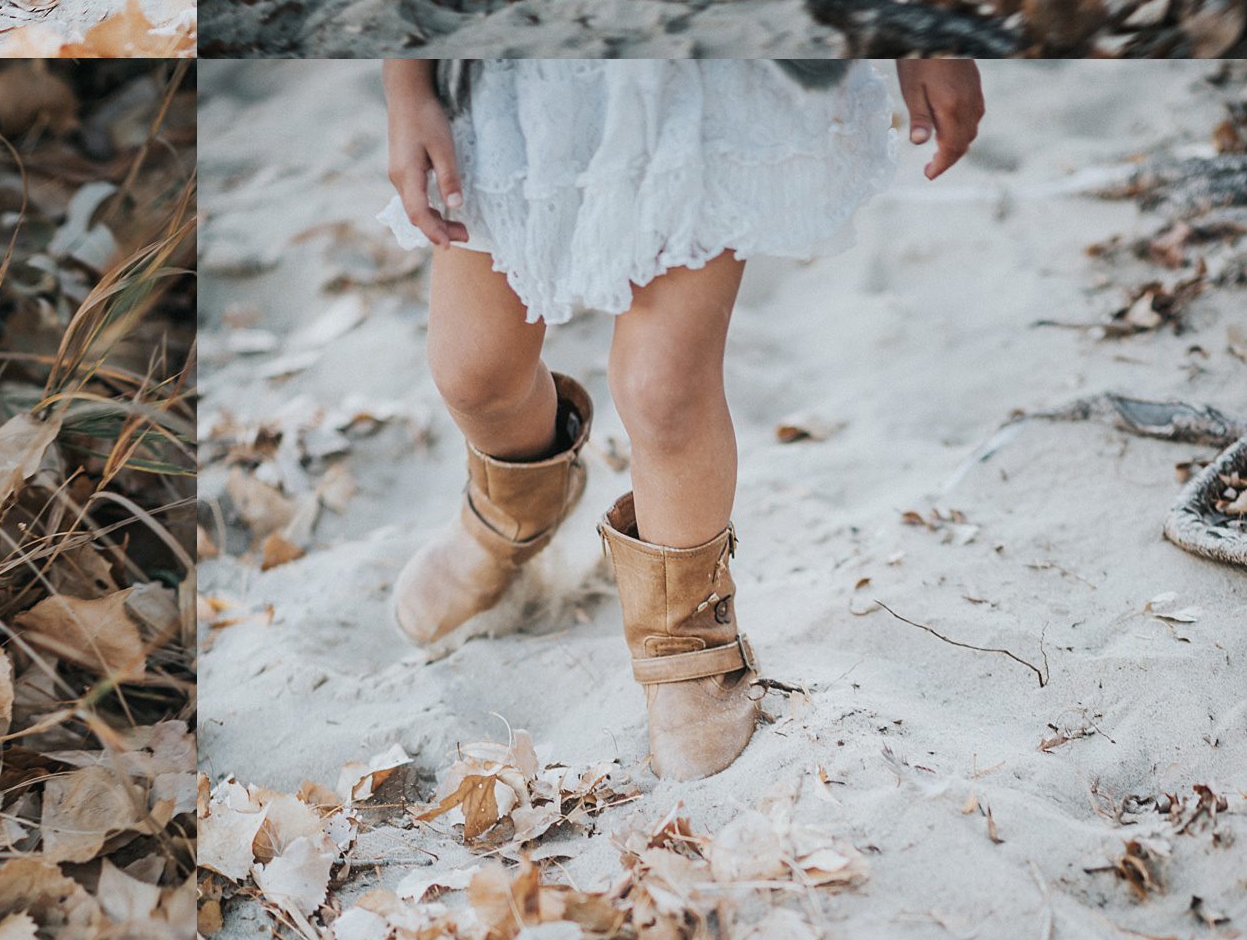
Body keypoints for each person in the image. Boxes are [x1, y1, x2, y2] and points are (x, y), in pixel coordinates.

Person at [380, 54, 985, 783]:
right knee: (474, 374)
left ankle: (684, 635)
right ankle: (514, 506)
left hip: (704, 78)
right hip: (523, 79)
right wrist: (406, 89)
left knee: (662, 387)